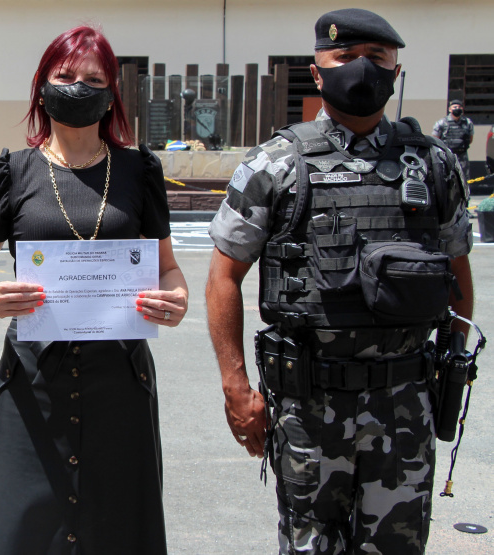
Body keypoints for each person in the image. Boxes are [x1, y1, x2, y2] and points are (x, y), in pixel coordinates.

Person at [206, 9, 473, 554]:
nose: (362, 69)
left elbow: (457, 277)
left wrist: (450, 366)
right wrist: (237, 388)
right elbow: (223, 277)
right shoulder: (276, 163)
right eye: (345, 57)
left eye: (376, 58)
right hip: (311, 407)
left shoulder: (434, 163)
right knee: (310, 546)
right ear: (318, 72)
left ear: (396, 72)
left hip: (405, 400)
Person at [0, 26, 188, 554]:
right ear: (42, 86)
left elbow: (168, 269)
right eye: (65, 76)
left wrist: (176, 300)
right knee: (22, 526)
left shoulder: (138, 170)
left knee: (117, 524)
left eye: (93, 78)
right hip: (32, 377)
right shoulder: (13, 172)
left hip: (120, 376)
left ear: (111, 94)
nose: (77, 87)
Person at [433, 99, 474, 180]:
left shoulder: (467, 122)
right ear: (450, 109)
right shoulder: (442, 122)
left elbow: (470, 139)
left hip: (462, 155)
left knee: (464, 177)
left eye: (459, 107)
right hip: (448, 154)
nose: (457, 108)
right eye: (455, 107)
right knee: (447, 175)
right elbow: (436, 139)